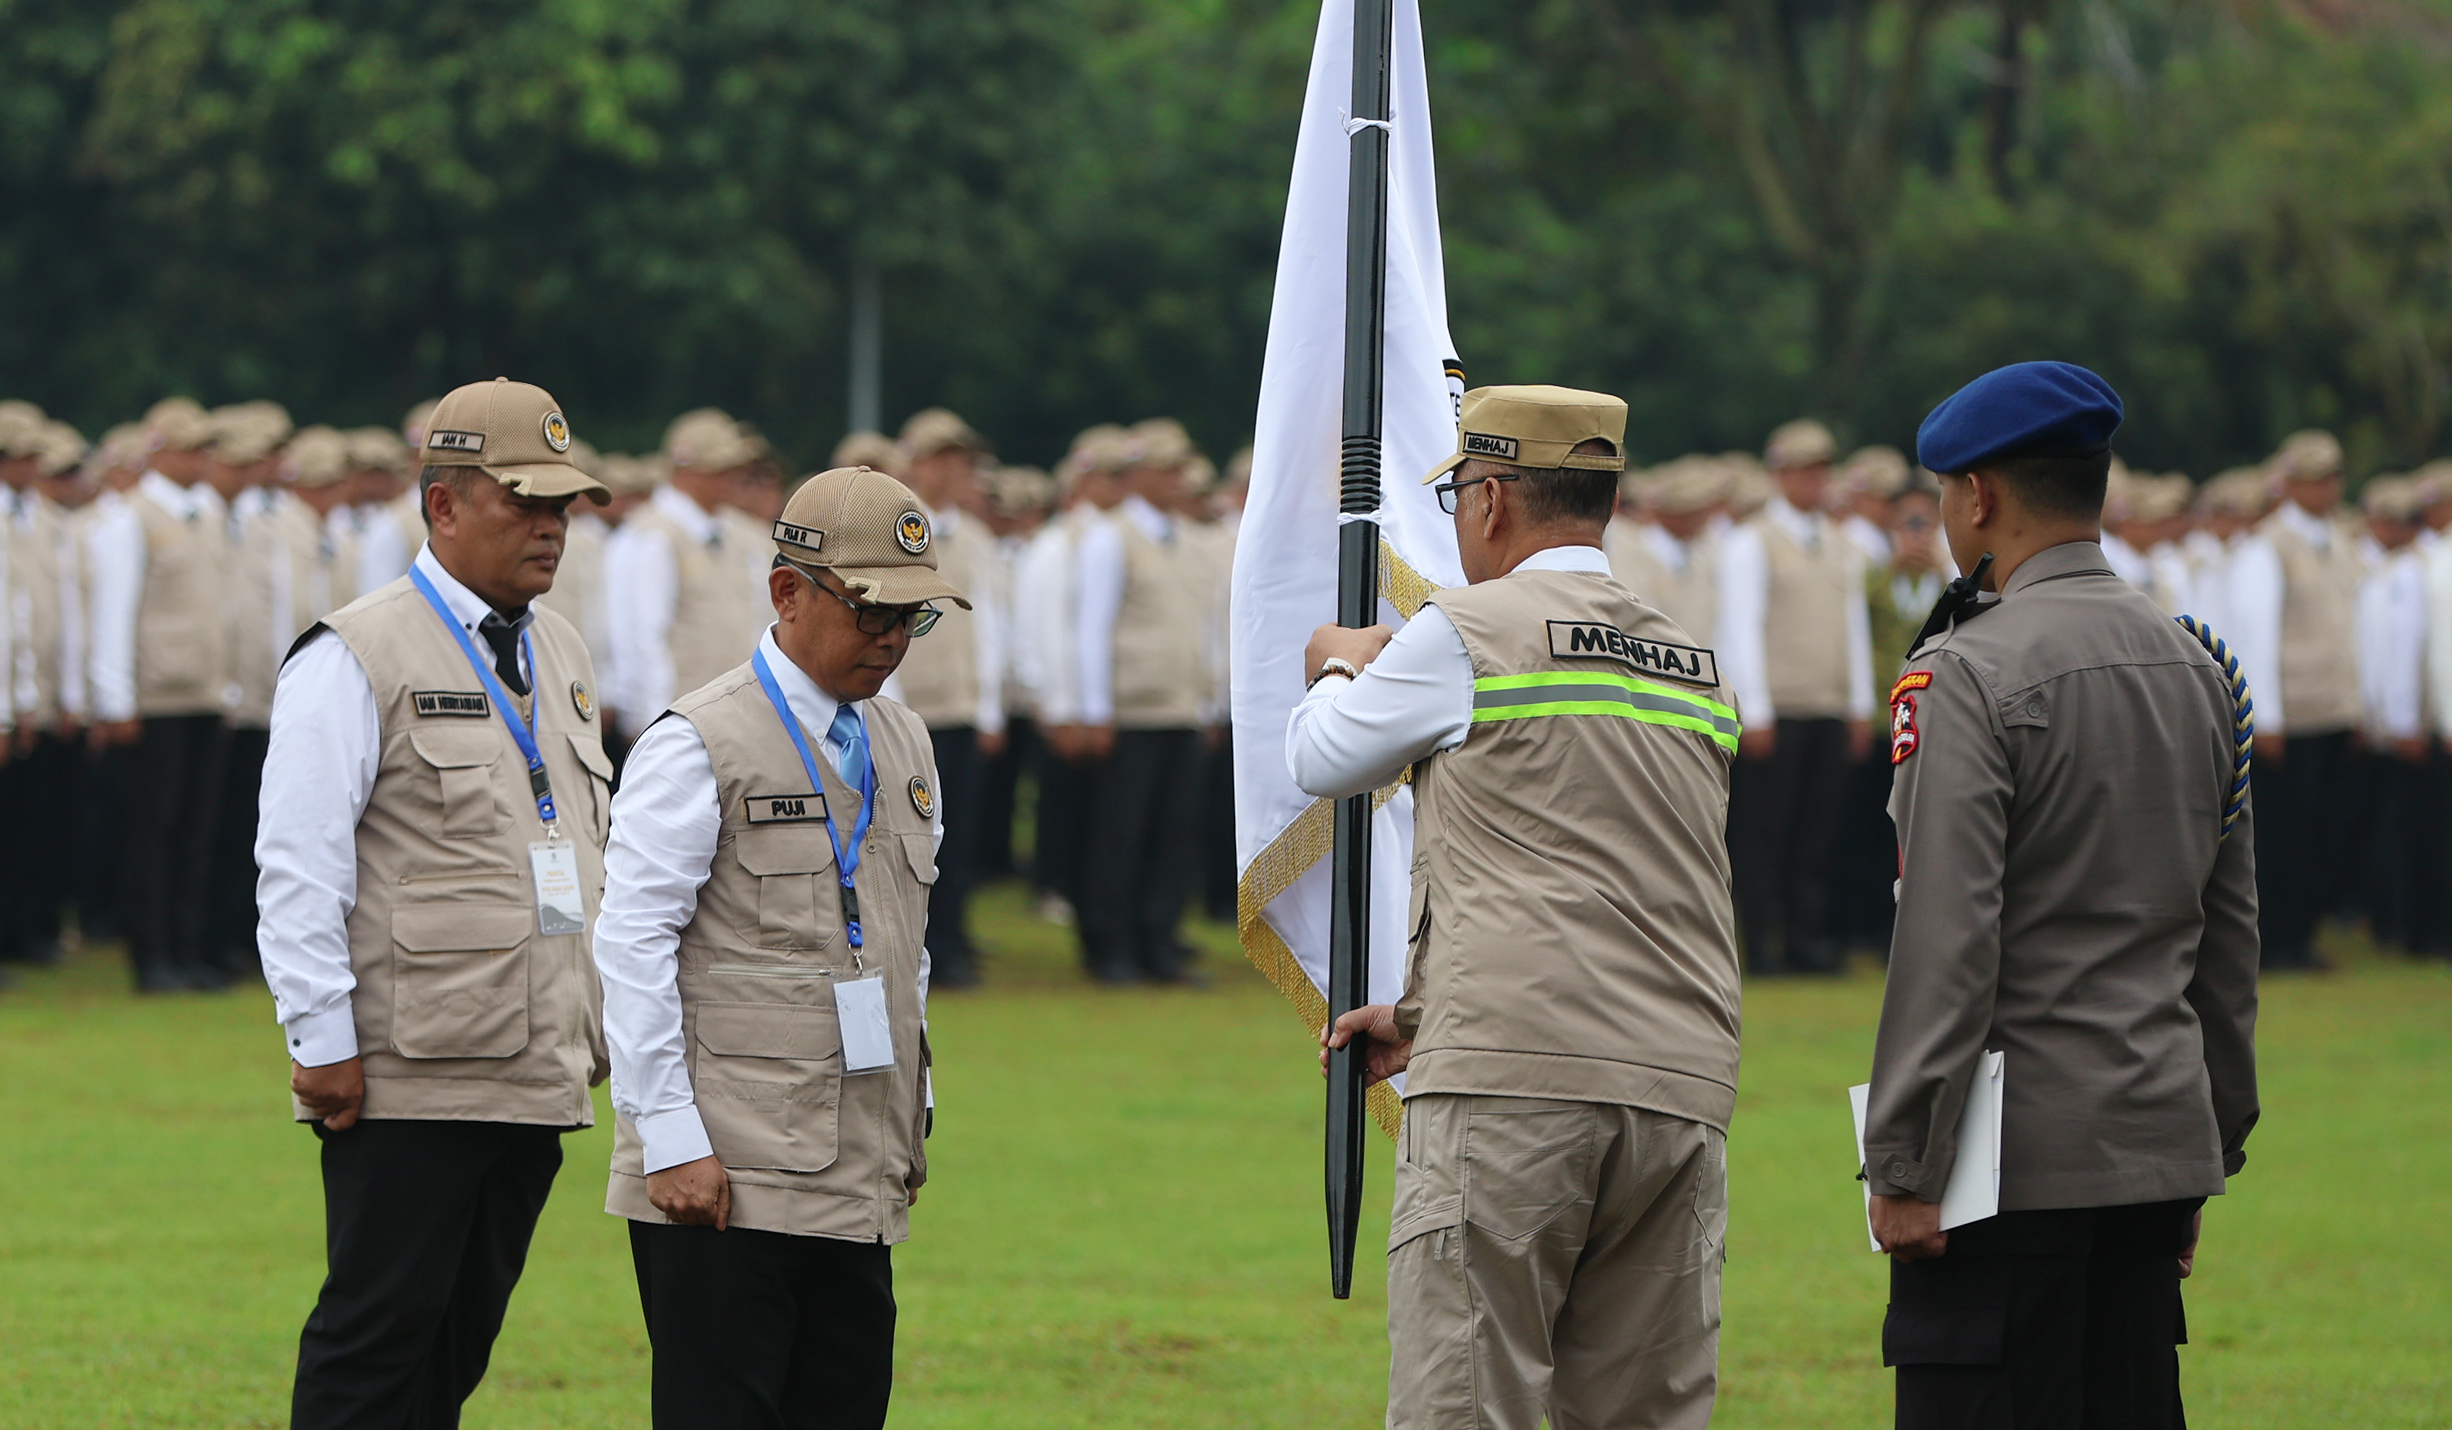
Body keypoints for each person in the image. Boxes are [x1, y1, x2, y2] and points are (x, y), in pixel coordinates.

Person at [1297, 385, 1742, 1430]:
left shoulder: (1469, 628)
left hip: (1511, 1081)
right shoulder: (1689, 660)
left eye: (1457, 493)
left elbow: (1321, 757)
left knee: (1469, 1402)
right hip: (1676, 1081)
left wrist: (1333, 665)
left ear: (1490, 497)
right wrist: (1414, 1017)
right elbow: (1608, 865)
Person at [1863, 361, 2260, 1430]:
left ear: (1978, 496)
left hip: (2008, 1165)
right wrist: (2206, 1143)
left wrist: (1903, 1154)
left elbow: (1948, 934)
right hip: (2149, 1147)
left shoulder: (1969, 672)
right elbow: (2225, 938)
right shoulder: (2199, 667)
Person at [256, 377, 615, 1430]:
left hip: (533, 1059)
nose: (551, 527)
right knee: (375, 1341)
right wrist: (321, 1035)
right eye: (524, 502)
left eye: (563, 507)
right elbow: (298, 857)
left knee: (454, 1345)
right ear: (444, 504)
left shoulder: (559, 648)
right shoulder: (356, 650)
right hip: (411, 1066)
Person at [595, 464, 951, 1430]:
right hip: (725, 1176)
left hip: (854, 1161)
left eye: (912, 617)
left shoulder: (904, 741)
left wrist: (912, 1104)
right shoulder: (697, 741)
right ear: (788, 592)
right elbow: (629, 943)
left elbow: (902, 942)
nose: (889, 638)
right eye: (871, 610)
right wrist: (667, 1138)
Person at [86, 397, 235, 991]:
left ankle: (186, 949)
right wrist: (116, 700)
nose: (203, 457)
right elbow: (114, 614)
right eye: (192, 446)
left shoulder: (210, 512)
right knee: (154, 830)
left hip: (204, 692)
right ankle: (151, 957)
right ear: (161, 451)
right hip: (157, 697)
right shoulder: (133, 516)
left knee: (199, 829)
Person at [1718, 417, 1875, 974]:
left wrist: (1858, 704)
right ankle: (1762, 942)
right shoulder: (1750, 542)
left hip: (1825, 706)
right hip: (1778, 709)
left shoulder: (1842, 542)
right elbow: (1740, 627)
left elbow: (1851, 626)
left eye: (1820, 471)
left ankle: (1807, 938)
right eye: (1803, 472)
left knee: (1819, 831)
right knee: (1766, 831)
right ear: (1780, 475)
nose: (1813, 482)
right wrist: (1754, 710)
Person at [1071, 418, 1212, 982]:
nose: (1180, 478)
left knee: (1174, 832)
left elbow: (1198, 627)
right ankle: (1114, 945)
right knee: (1120, 834)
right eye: (1169, 467)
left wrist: (1205, 701)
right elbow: (1093, 627)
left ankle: (1159, 939)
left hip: (1178, 708)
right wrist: (1095, 710)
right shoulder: (1113, 535)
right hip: (1131, 712)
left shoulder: (1184, 538)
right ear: (1142, 473)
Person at [2228, 430, 2360, 969]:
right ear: (2291, 485)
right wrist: (2268, 717)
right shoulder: (2268, 545)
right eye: (2314, 479)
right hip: (2293, 715)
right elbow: (2255, 635)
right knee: (2286, 835)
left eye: (2331, 478)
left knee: (2325, 830)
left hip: (2333, 708)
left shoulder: (2340, 538)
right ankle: (2278, 940)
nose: (2326, 489)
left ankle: (2301, 933)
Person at [887, 408, 1006, 988]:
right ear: (918, 463)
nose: (958, 469)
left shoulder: (975, 534)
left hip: (961, 706)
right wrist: (894, 703)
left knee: (959, 837)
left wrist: (988, 706)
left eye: (963, 458)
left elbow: (988, 623)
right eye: (945, 457)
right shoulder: (895, 526)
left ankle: (953, 942)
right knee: (912, 835)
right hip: (918, 708)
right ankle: (921, 944)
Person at [610, 409, 775, 724]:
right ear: (686, 470)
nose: (735, 475)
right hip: (680, 721)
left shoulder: (743, 535)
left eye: (736, 465)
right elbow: (642, 640)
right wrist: (653, 724)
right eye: (721, 466)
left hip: (742, 717)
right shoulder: (652, 535)